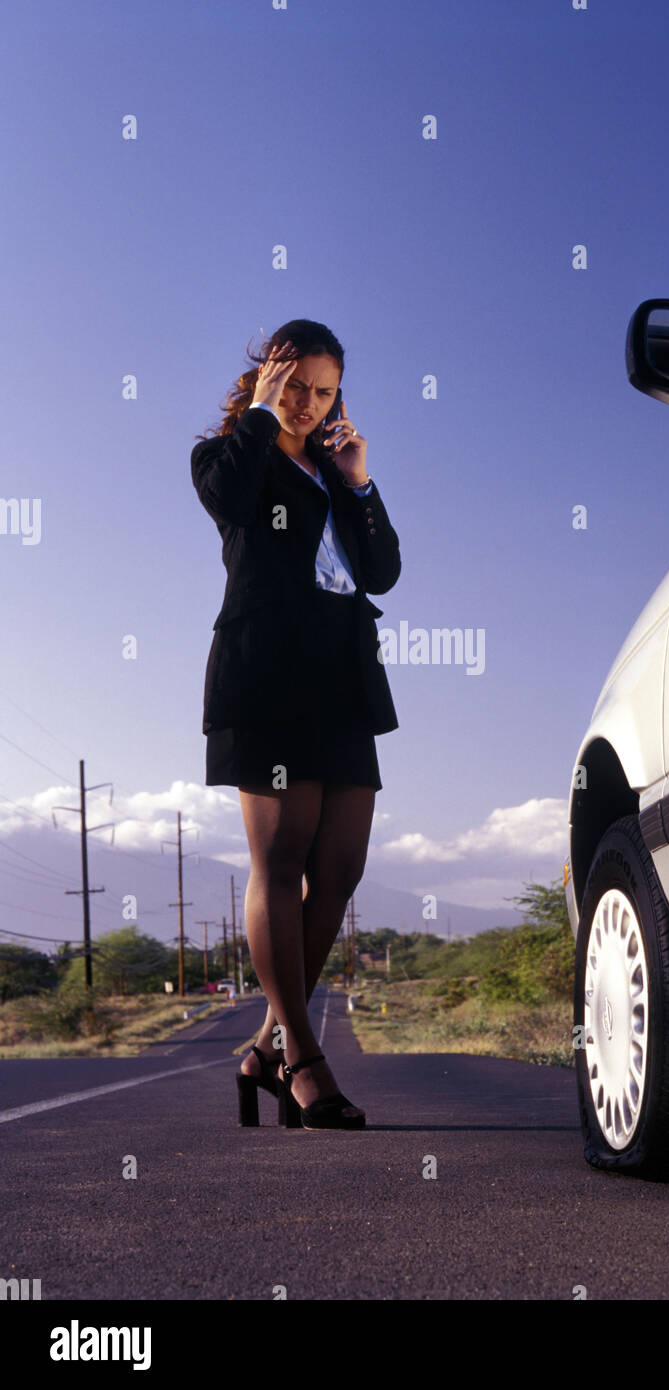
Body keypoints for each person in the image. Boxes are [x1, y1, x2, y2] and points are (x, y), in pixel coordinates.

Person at [190, 319, 401, 1129]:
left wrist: (357, 480)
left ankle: (266, 1047)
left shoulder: (330, 471)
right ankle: (304, 1059)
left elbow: (382, 569)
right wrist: (262, 418)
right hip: (265, 678)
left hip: (345, 685)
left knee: (340, 871)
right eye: (297, 387)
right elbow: (227, 500)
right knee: (280, 862)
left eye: (324, 391)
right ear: (270, 378)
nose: (311, 404)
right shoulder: (228, 455)